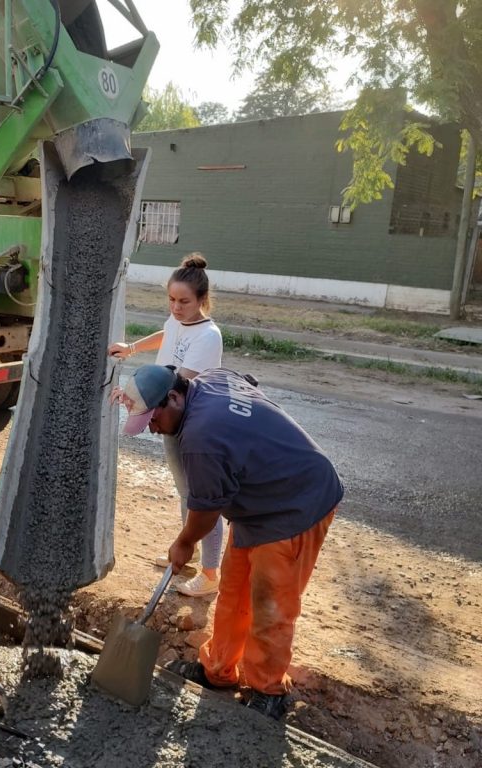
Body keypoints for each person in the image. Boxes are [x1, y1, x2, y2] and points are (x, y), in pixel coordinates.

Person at [114, 364, 343, 719]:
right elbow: (247, 383)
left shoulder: (201, 441)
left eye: (154, 420)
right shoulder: (212, 379)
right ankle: (218, 670)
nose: (154, 430)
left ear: (174, 397)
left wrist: (185, 542)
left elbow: (206, 513)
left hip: (296, 503)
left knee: (271, 601)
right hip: (257, 501)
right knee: (234, 591)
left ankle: (267, 689)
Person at [109, 253, 224, 597]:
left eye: (184, 302)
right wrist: (131, 348)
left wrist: (135, 396)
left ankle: (210, 573)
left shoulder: (209, 336)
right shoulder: (178, 320)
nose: (176, 308)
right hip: (173, 423)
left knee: (202, 498)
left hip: (195, 426)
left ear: (202, 300)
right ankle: (187, 550)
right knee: (185, 492)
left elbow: (174, 383)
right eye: (171, 300)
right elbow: (167, 334)